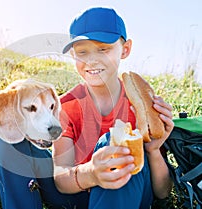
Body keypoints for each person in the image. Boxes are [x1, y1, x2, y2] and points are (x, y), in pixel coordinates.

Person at [52, 7, 174, 209]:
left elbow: (163, 192)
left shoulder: (142, 106)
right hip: (81, 196)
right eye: (82, 52)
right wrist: (92, 173)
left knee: (118, 140)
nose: (92, 60)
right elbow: (60, 178)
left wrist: (153, 150)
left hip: (133, 195)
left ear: (125, 49)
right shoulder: (66, 106)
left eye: (103, 49)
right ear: (73, 55)